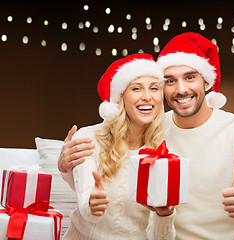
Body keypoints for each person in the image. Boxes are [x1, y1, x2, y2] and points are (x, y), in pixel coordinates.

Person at [59, 32, 234, 240]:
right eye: (170, 81)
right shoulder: (152, 127)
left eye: (190, 77)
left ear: (206, 82)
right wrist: (66, 166)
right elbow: (108, 162)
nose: (181, 89)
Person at [61, 53, 176, 240]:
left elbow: (161, 238)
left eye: (154, 88)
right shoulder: (88, 137)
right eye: (136, 88)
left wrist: (165, 215)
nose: (147, 96)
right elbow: (85, 200)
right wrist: (91, 205)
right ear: (121, 97)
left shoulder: (165, 152)